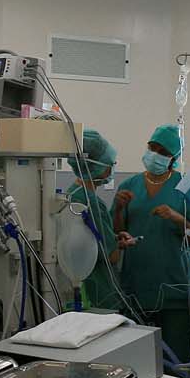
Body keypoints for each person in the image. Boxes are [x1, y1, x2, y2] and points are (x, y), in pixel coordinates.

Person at [114, 124, 190, 378]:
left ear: (173, 158)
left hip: (174, 287)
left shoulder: (184, 186)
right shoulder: (129, 186)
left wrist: (176, 217)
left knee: (176, 365)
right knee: (138, 367)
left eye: (163, 152)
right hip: (136, 287)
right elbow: (117, 233)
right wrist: (118, 209)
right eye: (153, 148)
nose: (155, 155)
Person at [64, 129, 127, 311]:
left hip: (80, 291)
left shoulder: (70, 195)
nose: (112, 167)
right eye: (110, 163)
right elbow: (111, 256)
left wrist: (113, 240)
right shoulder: (92, 203)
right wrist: (119, 246)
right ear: (98, 166)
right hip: (100, 293)